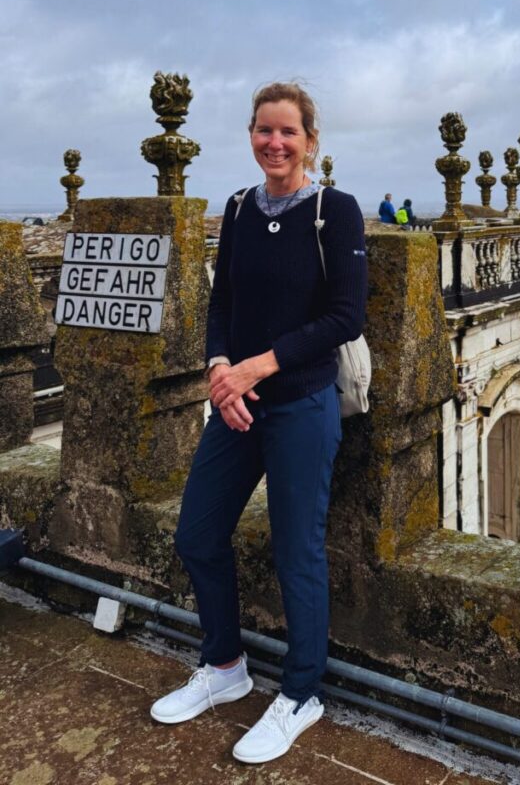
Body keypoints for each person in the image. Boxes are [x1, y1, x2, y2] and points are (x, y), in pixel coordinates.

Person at [150, 82, 367, 764]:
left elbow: (345, 318)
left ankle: (301, 694)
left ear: (310, 141)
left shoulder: (336, 211)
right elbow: (224, 302)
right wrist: (222, 370)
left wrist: (257, 368)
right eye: (264, 130)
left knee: (296, 551)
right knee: (198, 533)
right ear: (250, 134)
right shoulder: (240, 209)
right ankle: (224, 668)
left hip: (302, 404)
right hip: (237, 406)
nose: (276, 143)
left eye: (289, 133)